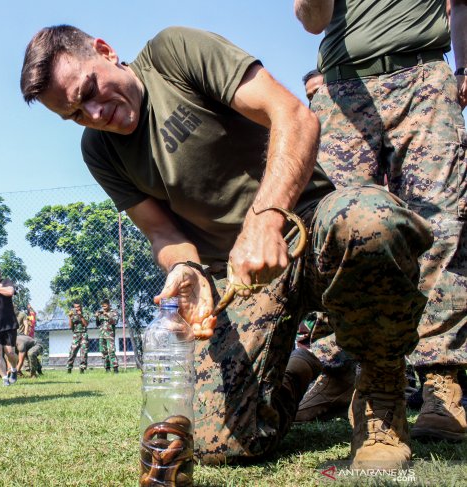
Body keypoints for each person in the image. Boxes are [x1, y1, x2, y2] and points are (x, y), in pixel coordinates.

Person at [21, 25, 433, 469]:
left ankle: (381, 408)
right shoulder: (99, 150)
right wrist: (188, 269)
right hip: (242, 276)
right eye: (76, 114)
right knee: (219, 444)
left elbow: (294, 116)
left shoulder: (173, 54)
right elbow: (163, 234)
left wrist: (265, 221)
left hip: (310, 229)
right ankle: (303, 367)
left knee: (369, 220)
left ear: (106, 51)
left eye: (90, 91)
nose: (96, 113)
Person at [295, 0, 467, 444]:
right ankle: (337, 370)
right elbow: (313, 21)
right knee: (336, 230)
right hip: (342, 88)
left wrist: (464, 68)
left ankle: (440, 382)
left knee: (441, 227)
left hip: (424, 77)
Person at [95, 299, 118, 373]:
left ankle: (115, 368)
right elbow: (98, 324)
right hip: (102, 334)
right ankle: (107, 368)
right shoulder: (101, 313)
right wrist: (96, 317)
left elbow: (115, 321)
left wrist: (107, 315)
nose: (103, 307)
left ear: (109, 305)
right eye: (102, 306)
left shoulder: (113, 312)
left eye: (105, 306)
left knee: (111, 351)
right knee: (103, 351)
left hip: (110, 334)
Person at [66, 302, 89, 374]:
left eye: (78, 307)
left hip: (83, 334)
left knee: (84, 352)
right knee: (72, 352)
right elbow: (70, 327)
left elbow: (86, 324)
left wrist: (81, 316)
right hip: (76, 335)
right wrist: (70, 317)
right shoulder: (73, 314)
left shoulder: (85, 314)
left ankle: (82, 369)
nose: (77, 308)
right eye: (75, 307)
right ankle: (69, 368)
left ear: (81, 306)